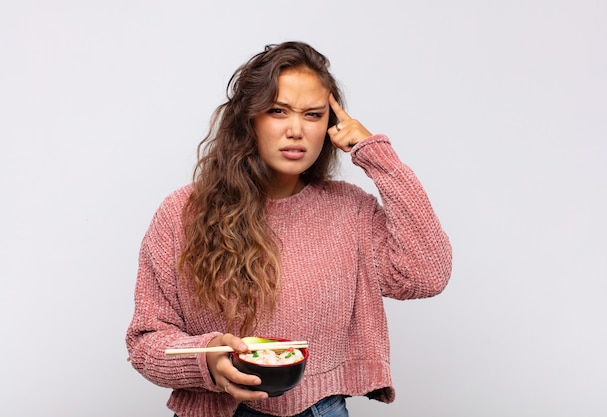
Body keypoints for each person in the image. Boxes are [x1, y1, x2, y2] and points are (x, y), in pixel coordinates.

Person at [126, 41, 453, 417]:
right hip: (221, 410)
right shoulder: (180, 213)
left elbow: (428, 274)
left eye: (313, 115)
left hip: (321, 409)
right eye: (278, 111)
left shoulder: (351, 211)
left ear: (329, 127)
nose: (296, 130)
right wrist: (209, 363)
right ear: (249, 119)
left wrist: (375, 153)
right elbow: (146, 340)